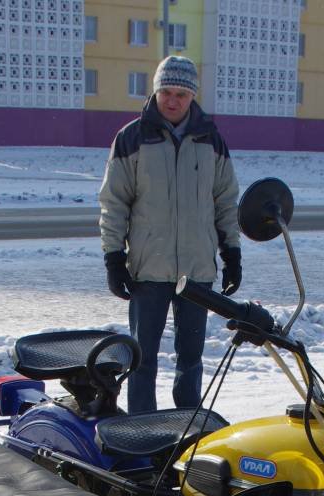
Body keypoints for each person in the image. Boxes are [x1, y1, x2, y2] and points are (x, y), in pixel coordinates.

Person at [98, 55, 241, 413]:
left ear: (193, 96)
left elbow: (225, 201)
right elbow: (114, 203)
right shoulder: (132, 138)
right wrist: (114, 259)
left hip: (197, 269)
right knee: (141, 357)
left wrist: (232, 254)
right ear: (155, 92)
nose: (173, 101)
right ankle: (141, 426)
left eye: (181, 94)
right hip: (149, 268)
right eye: (166, 92)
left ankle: (187, 424)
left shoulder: (211, 140)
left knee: (191, 357)